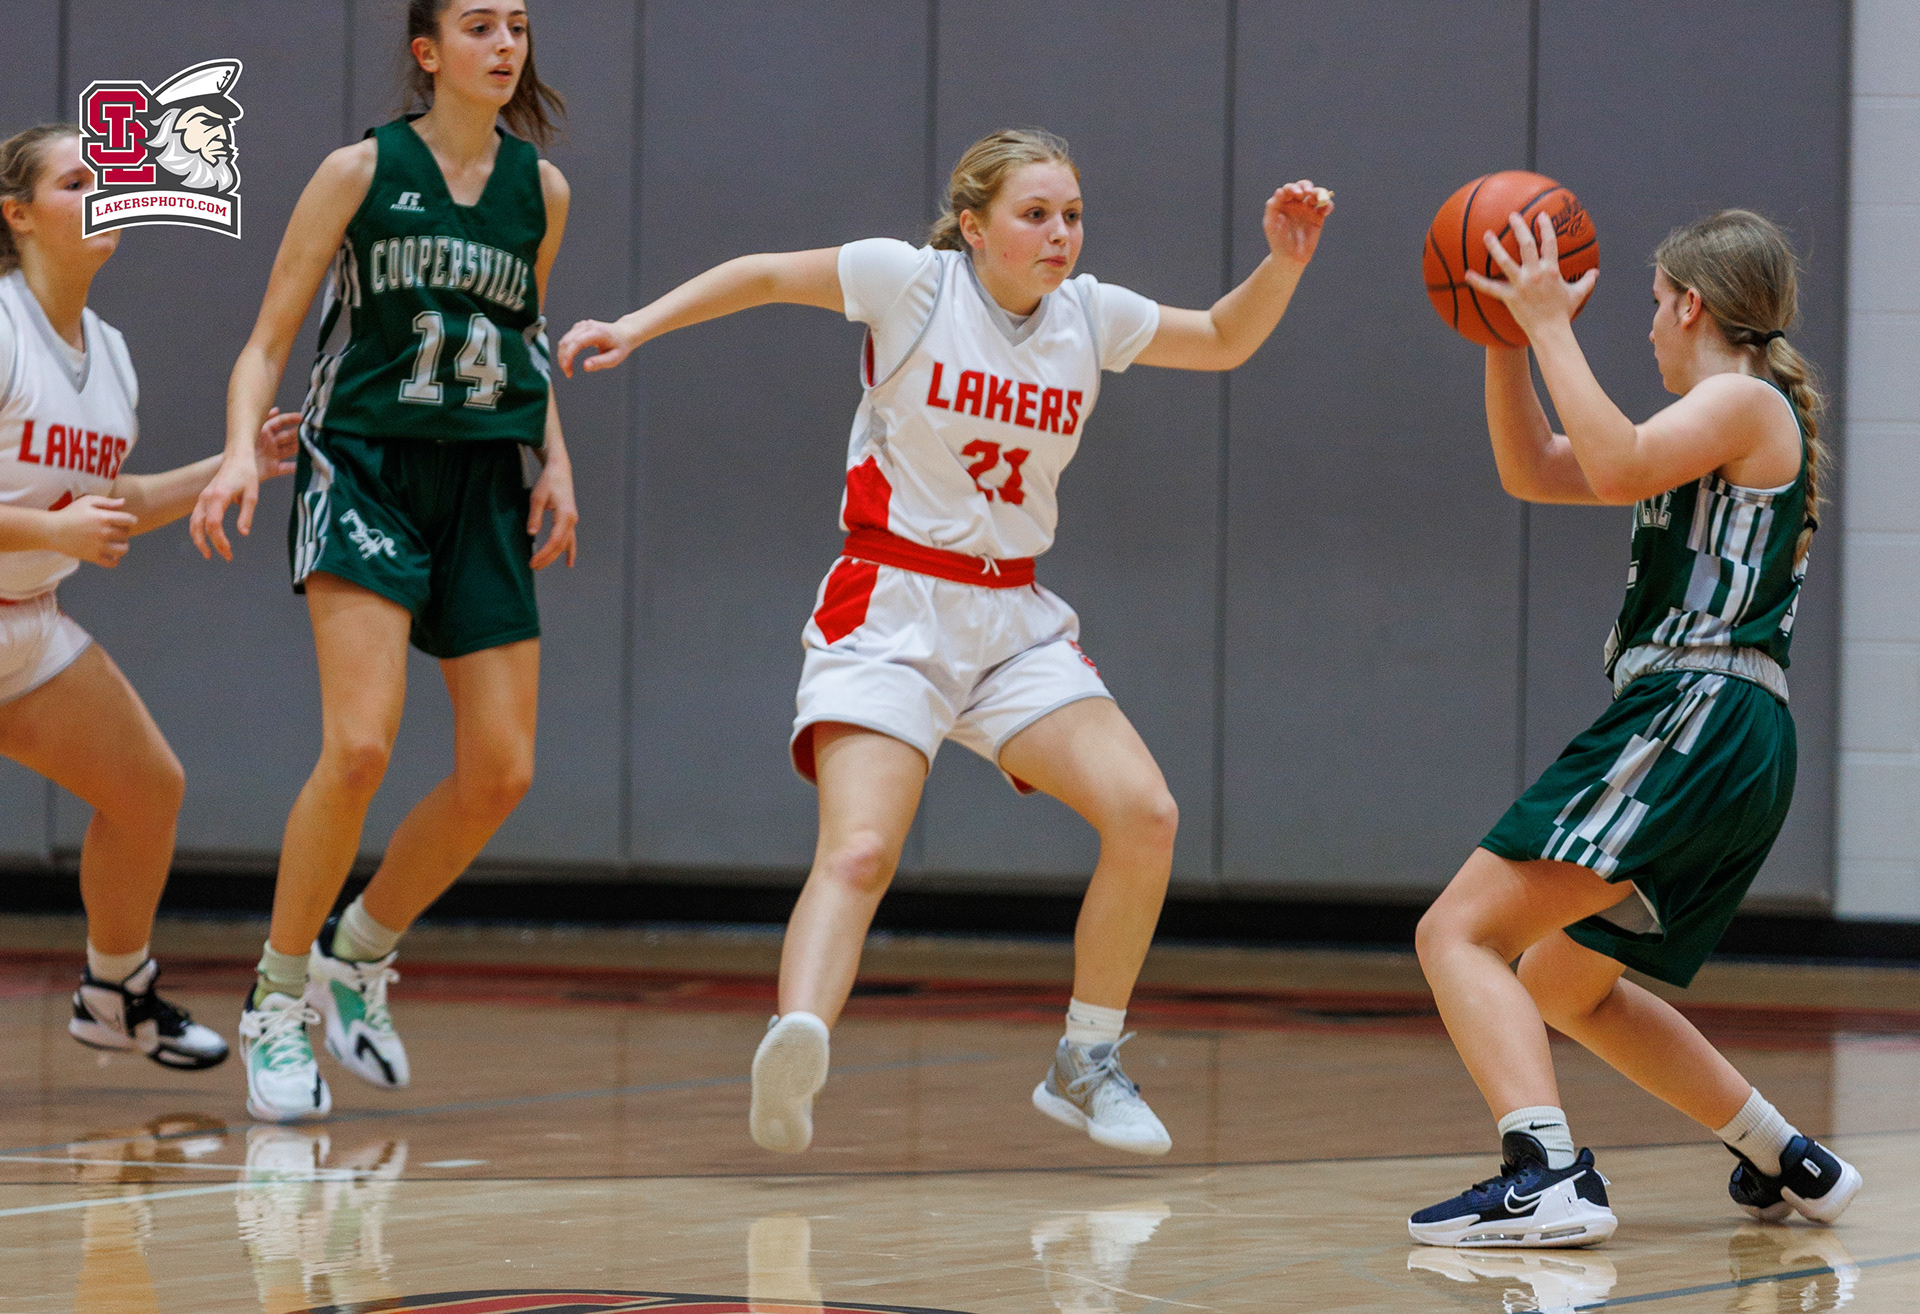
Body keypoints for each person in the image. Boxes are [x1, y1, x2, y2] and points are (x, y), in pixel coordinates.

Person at [558, 128, 1332, 1156]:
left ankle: (1086, 1059)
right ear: (973, 225)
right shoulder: (911, 285)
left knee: (1146, 814)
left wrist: (1283, 261)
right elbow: (762, 275)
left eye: (1072, 215)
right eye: (1035, 214)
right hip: (891, 605)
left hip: (1012, 620)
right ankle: (797, 1045)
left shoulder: (1091, 314)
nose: (1060, 234)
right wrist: (636, 325)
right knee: (861, 850)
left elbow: (1226, 338)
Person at [1409, 208, 1861, 1247]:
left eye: (1655, 305)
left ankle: (1544, 1175)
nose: (1648, 326)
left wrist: (1548, 324)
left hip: (1697, 712)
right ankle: (1786, 1156)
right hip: (1732, 733)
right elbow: (1535, 468)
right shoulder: (1708, 425)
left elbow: (1613, 465)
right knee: (1562, 983)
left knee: (1457, 932)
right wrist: (1506, 340)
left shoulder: (1742, 401)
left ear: (1691, 305)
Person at [189, 0, 577, 1123]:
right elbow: (267, 340)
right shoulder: (359, 170)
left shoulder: (542, 190)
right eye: (479, 26)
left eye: (517, 26)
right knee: (359, 746)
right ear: (428, 51)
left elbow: (522, 339)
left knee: (501, 773)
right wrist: (235, 452)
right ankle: (276, 996)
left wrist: (557, 461)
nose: (504, 46)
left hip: (483, 479)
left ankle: (357, 952)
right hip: (362, 464)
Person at [0, 122, 296, 1070]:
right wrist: (49, 532)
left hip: (25, 624)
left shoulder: (111, 352)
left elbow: (107, 497)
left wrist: (232, 463)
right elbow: (60, 518)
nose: (101, 194)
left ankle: (114, 994)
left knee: (146, 789)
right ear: (17, 215)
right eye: (75, 182)